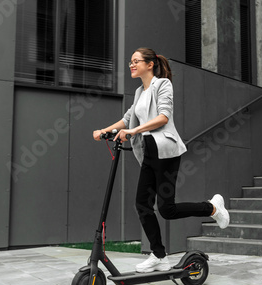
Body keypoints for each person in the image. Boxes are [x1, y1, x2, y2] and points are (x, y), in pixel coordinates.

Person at [93, 47, 229, 273]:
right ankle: (159, 255)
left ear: (150, 64)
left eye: (136, 61)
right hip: (148, 152)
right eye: (130, 62)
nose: (131, 65)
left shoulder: (163, 85)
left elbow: (163, 117)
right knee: (142, 204)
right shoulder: (139, 92)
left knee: (167, 209)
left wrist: (134, 130)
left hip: (165, 151)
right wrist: (104, 130)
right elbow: (127, 119)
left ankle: (212, 208)